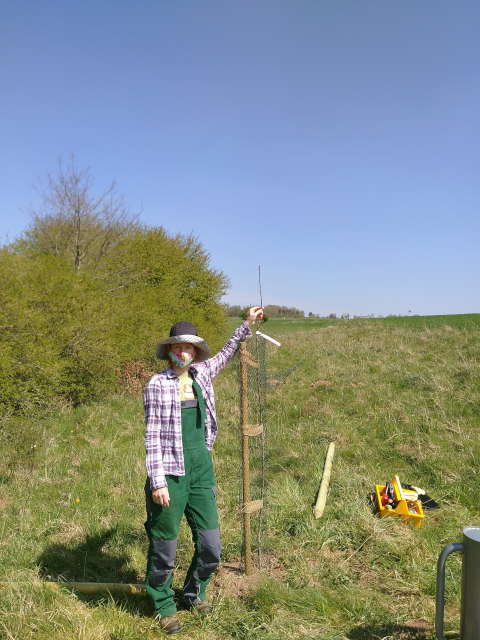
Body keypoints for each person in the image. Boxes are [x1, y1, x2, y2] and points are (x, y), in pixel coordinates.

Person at [144, 306, 263, 634]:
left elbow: (226, 352)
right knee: (164, 545)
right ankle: (163, 604)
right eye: (178, 347)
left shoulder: (201, 373)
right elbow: (152, 436)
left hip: (201, 469)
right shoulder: (157, 385)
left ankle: (194, 592)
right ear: (170, 350)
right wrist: (157, 481)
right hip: (169, 472)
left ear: (195, 352)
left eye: (189, 347)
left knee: (211, 545)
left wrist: (248, 323)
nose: (184, 352)